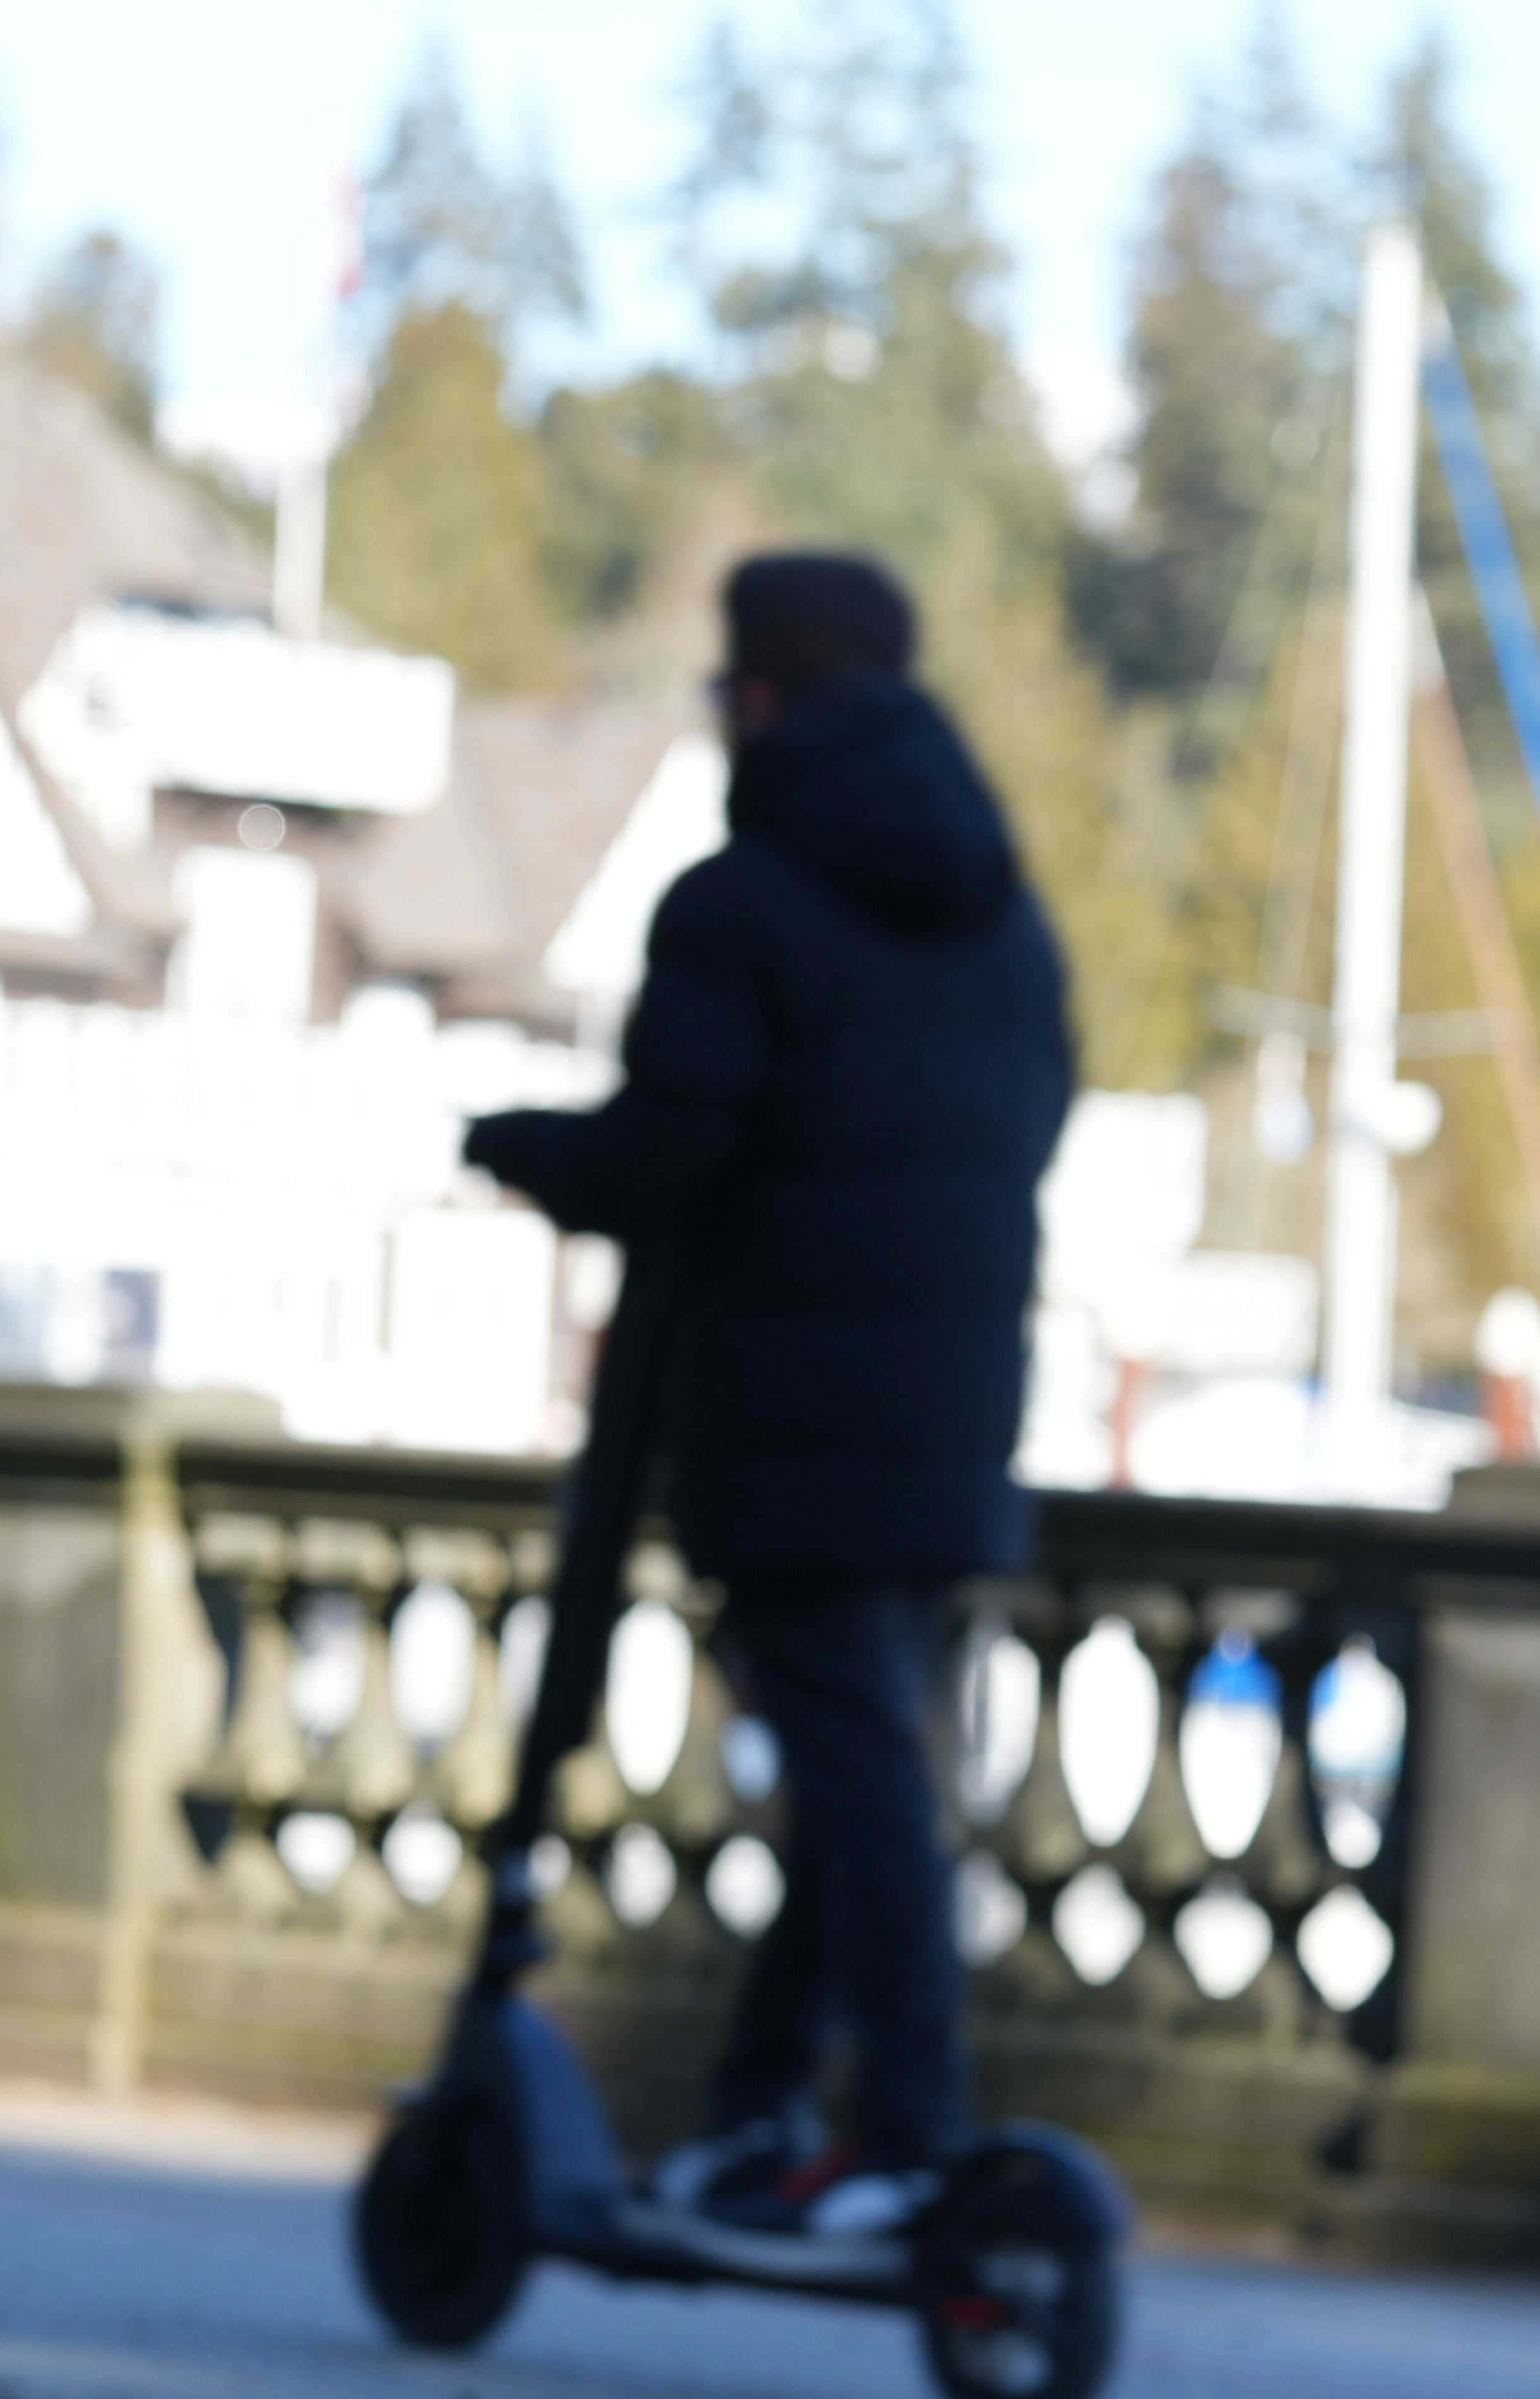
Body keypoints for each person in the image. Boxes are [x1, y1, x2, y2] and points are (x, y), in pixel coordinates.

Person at [456, 551, 1073, 2252]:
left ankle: (914, 2132)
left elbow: (666, 1156)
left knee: (857, 1777)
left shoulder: (740, 903)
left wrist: (513, 1144)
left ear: (756, 700)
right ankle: (754, 2114)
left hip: (782, 1410)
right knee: (860, 1765)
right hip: (956, 1408)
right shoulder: (1008, 922)